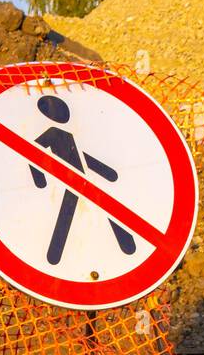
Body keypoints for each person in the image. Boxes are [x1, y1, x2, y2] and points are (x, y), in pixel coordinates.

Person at [29, 94, 135, 266]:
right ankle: (54, 257)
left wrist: (107, 172)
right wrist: (40, 180)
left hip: (85, 179)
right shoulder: (51, 133)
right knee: (67, 216)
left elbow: (83, 157)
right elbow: (33, 155)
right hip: (71, 181)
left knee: (105, 210)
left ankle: (127, 245)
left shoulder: (68, 134)